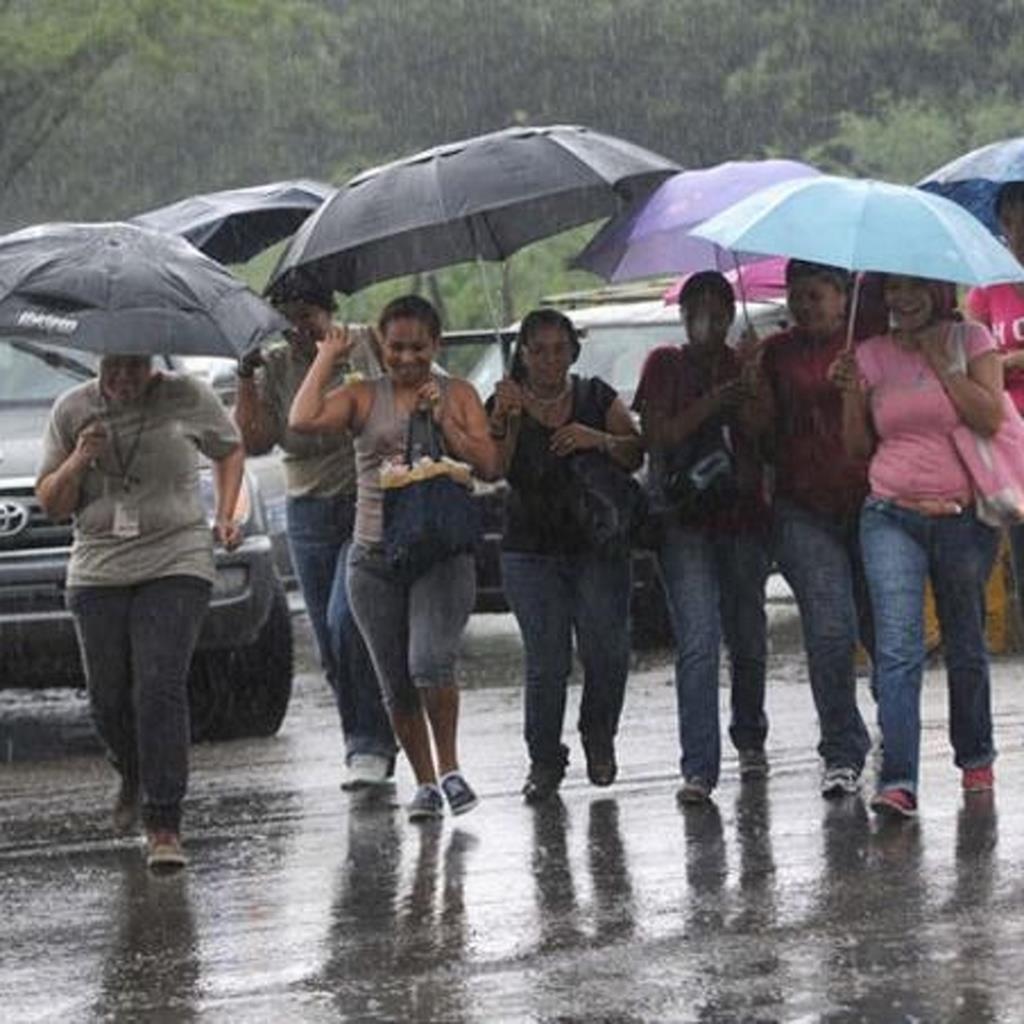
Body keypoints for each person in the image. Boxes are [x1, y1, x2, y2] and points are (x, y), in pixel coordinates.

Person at [289, 294, 501, 822]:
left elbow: (491, 465)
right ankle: (424, 783)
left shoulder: (460, 394)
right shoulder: (363, 396)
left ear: (437, 345)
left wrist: (445, 426)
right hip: (374, 556)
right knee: (395, 681)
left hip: (440, 553)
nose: (406, 358)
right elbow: (303, 418)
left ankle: (450, 770)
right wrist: (326, 356)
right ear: (381, 345)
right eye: (396, 347)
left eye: (418, 348)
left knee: (429, 660)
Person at [36, 354, 244, 870]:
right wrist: (80, 457)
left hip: (176, 557)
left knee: (158, 685)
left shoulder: (188, 396)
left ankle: (164, 822)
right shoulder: (72, 408)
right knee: (108, 698)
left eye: (135, 365)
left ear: (152, 358)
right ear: (100, 361)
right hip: (99, 565)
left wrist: (224, 512)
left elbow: (231, 448)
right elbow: (52, 503)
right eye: (114, 367)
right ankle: (132, 768)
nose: (124, 377)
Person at [832, 275, 1003, 818]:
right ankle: (898, 780)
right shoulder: (871, 354)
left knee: (965, 642)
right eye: (893, 290)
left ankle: (975, 755)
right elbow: (858, 448)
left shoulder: (971, 340)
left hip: (962, 518)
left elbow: (990, 416)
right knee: (898, 648)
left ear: (936, 290)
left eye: (914, 288)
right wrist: (850, 395)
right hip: (890, 514)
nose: (902, 299)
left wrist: (941, 361)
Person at [234, 281, 396, 790]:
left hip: (369, 503)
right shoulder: (278, 367)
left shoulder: (368, 345)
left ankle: (371, 742)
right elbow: (255, 441)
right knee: (329, 643)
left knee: (346, 621)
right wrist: (244, 376)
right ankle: (367, 738)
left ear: (331, 310)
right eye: (287, 319)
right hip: (307, 513)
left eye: (308, 315)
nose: (300, 328)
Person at [487, 308, 642, 804]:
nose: (549, 360)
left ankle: (599, 735)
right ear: (523, 355)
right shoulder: (506, 400)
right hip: (531, 550)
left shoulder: (596, 396)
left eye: (559, 349)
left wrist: (596, 439)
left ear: (573, 351)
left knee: (605, 649)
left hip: (596, 546)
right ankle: (544, 759)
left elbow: (636, 451)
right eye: (538, 350)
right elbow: (498, 469)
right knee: (547, 659)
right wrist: (505, 417)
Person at [634, 271, 771, 804]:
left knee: (749, 635)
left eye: (720, 312)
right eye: (700, 312)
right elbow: (657, 435)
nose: (710, 322)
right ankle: (699, 767)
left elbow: (763, 436)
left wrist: (753, 387)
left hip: (742, 516)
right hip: (684, 518)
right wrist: (715, 401)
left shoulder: (744, 365)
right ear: (684, 315)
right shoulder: (665, 364)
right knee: (698, 640)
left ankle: (750, 734)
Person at [750, 259, 873, 797]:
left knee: (881, 627)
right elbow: (760, 437)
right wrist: (750, 378)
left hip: (873, 503)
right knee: (829, 626)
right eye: (797, 295)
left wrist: (856, 386)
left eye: (817, 295)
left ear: (843, 297)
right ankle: (842, 750)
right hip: (803, 508)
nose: (805, 305)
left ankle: (899, 725)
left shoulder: (870, 344)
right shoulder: (776, 353)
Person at [965, 181, 1024, 610]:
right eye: (1013, 223)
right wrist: (1009, 362)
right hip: (1013, 444)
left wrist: (1003, 362)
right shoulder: (988, 289)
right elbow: (973, 363)